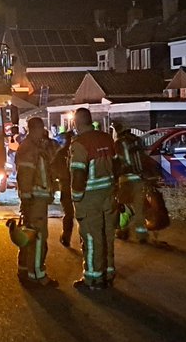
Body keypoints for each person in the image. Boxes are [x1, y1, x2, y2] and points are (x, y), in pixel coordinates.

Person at [68, 108, 117, 289]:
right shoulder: (106, 138)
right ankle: (108, 272)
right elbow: (117, 164)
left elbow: (78, 173)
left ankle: (93, 279)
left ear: (76, 122)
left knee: (90, 237)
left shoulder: (80, 144)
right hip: (109, 193)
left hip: (90, 197)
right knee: (107, 235)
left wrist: (76, 197)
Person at [15, 117, 58, 286]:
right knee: (38, 237)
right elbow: (25, 176)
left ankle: (25, 269)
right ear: (35, 129)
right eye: (41, 129)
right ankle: (38, 275)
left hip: (35, 198)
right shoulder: (29, 148)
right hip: (35, 199)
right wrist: (26, 200)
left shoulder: (35, 147)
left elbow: (53, 155)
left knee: (29, 235)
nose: (43, 132)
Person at [112, 122, 152, 244]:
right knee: (139, 208)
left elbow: (116, 162)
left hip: (125, 179)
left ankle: (122, 231)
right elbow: (144, 158)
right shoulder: (137, 140)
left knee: (123, 207)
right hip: (139, 178)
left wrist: (113, 179)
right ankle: (142, 235)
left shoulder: (118, 143)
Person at [52, 130, 75, 247]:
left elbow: (53, 168)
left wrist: (58, 178)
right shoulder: (78, 150)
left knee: (69, 213)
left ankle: (66, 237)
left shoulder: (60, 153)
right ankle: (84, 242)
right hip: (79, 185)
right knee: (82, 214)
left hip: (65, 185)